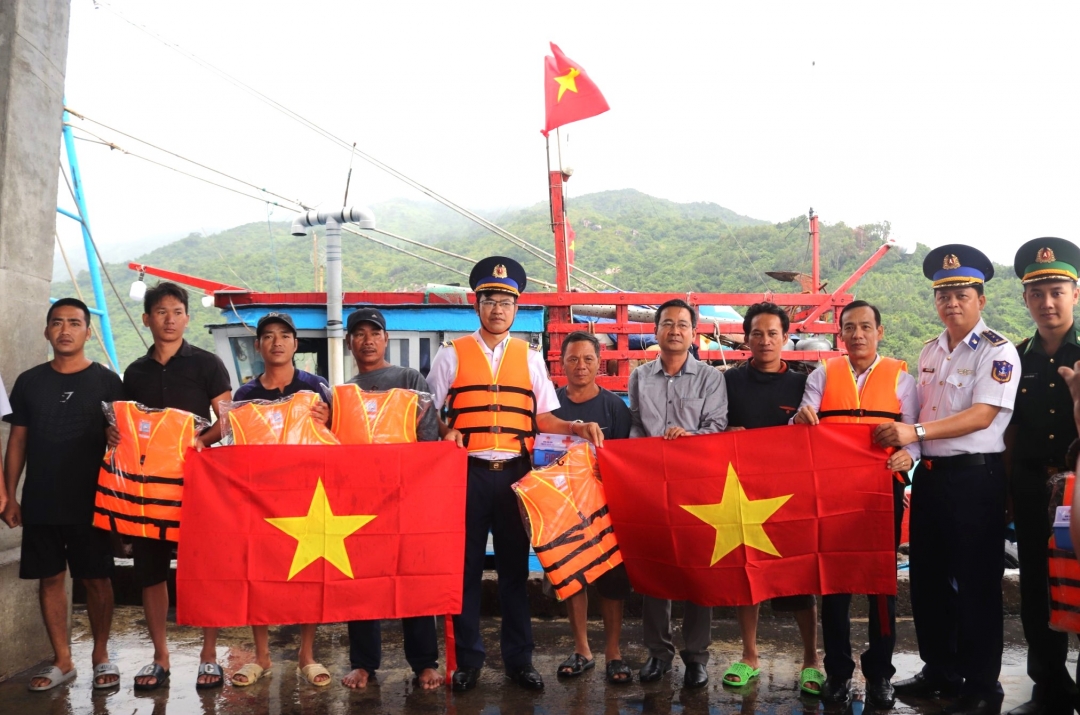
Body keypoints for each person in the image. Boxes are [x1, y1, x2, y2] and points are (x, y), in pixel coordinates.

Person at [428, 256, 604, 693]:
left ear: (516, 307)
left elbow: (544, 418)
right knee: (466, 570)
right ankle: (467, 661)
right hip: (466, 475)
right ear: (477, 304)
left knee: (511, 571)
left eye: (506, 301)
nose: (497, 308)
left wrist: (576, 427)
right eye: (489, 299)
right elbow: (429, 416)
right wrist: (447, 430)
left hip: (513, 475)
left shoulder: (530, 357)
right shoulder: (450, 356)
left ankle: (519, 661)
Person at [875, 245, 1019, 715]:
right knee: (928, 581)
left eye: (961, 294)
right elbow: (919, 414)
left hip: (976, 482)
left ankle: (981, 685)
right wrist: (909, 449)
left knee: (977, 584)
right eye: (944, 295)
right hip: (932, 480)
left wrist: (914, 432)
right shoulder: (929, 351)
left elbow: (981, 416)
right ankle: (940, 670)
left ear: (980, 299)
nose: (952, 302)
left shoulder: (998, 351)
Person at [793, 299, 920, 708]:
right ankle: (838, 671)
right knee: (835, 586)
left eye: (866, 327)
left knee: (881, 586)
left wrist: (909, 455)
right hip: (831, 495)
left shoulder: (903, 379)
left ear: (880, 332)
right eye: (850, 327)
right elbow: (800, 422)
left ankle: (880, 673)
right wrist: (801, 419)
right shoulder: (821, 375)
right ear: (840, 334)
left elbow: (914, 434)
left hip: (881, 493)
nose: (858, 334)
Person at [1, 299, 124, 691]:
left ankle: (101, 655)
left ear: (89, 331)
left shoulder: (108, 382)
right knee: (50, 578)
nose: (65, 330)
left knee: (96, 578)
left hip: (93, 499)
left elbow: (124, 441)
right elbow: (17, 441)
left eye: (74, 323)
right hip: (41, 499)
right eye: (57, 323)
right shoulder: (29, 381)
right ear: (46, 331)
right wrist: (10, 496)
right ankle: (62, 660)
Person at [120, 282, 233, 691]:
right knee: (149, 571)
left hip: (195, 484)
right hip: (148, 490)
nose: (170, 319)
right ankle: (160, 657)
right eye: (161, 312)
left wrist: (200, 442)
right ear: (148, 318)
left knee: (202, 569)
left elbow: (228, 417)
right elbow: (127, 427)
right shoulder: (134, 372)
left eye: (177, 311)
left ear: (187, 317)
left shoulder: (207, 364)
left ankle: (208, 656)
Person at [337, 307, 444, 692]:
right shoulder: (342, 393)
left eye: (374, 333)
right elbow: (333, 449)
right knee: (361, 581)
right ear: (350, 342)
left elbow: (428, 436)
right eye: (359, 333)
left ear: (385, 339)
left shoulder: (409, 380)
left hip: (408, 495)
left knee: (413, 577)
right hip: (359, 503)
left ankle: (424, 663)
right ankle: (363, 663)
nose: (367, 340)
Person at [226, 312, 334, 688]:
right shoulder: (244, 395)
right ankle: (262, 656)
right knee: (258, 572)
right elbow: (234, 451)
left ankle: (307, 655)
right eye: (267, 336)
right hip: (260, 497)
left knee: (309, 574)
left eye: (284, 336)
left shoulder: (317, 387)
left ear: (295, 344)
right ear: (258, 345)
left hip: (308, 495)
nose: (276, 342)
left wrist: (330, 417)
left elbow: (339, 440)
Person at [722, 302, 823, 696]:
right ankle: (749, 656)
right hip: (742, 491)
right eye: (757, 334)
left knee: (800, 577)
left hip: (790, 493)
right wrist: (728, 430)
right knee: (748, 572)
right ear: (747, 338)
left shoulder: (804, 383)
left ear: (786, 338)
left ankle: (812, 660)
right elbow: (715, 428)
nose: (765, 341)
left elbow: (821, 435)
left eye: (773, 333)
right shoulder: (728, 381)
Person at [629, 298, 728, 689]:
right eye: (667, 324)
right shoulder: (640, 377)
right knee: (657, 569)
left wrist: (689, 438)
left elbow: (718, 426)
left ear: (693, 333)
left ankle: (697, 656)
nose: (674, 330)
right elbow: (637, 427)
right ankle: (657, 653)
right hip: (653, 485)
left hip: (698, 486)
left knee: (697, 571)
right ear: (655, 332)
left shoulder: (710, 378)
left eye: (682, 324)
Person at [1004, 238, 1080, 715]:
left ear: (1075, 292)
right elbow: (1008, 431)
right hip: (1032, 489)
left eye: (1057, 290)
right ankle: (1049, 687)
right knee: (1037, 588)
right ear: (1026, 299)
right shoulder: (1015, 359)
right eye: (1037, 293)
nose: (1047, 302)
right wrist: (1009, 492)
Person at [547, 331, 633, 685]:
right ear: (561, 363)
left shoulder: (615, 407)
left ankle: (614, 652)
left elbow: (626, 461)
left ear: (600, 362)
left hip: (606, 508)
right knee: (573, 577)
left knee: (612, 580)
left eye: (588, 359)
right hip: (562, 507)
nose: (580, 366)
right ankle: (582, 649)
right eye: (572, 359)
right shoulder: (549, 407)